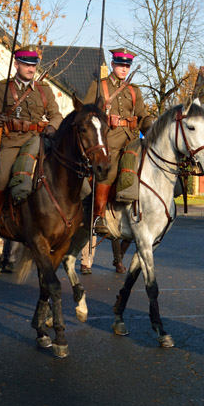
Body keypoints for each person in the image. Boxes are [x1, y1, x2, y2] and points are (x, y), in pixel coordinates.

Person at [81, 47, 153, 274]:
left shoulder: (134, 90)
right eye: (120, 64)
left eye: (127, 65)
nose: (124, 68)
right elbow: (86, 112)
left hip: (131, 141)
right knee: (109, 171)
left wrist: (153, 126)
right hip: (109, 141)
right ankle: (99, 216)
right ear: (113, 64)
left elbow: (142, 116)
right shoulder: (99, 86)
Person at [0, 45, 61, 241]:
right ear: (16, 64)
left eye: (33, 65)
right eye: (26, 65)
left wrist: (52, 127)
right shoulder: (2, 87)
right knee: (2, 174)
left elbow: (56, 115)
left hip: (38, 141)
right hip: (12, 141)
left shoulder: (44, 89)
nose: (31, 69)